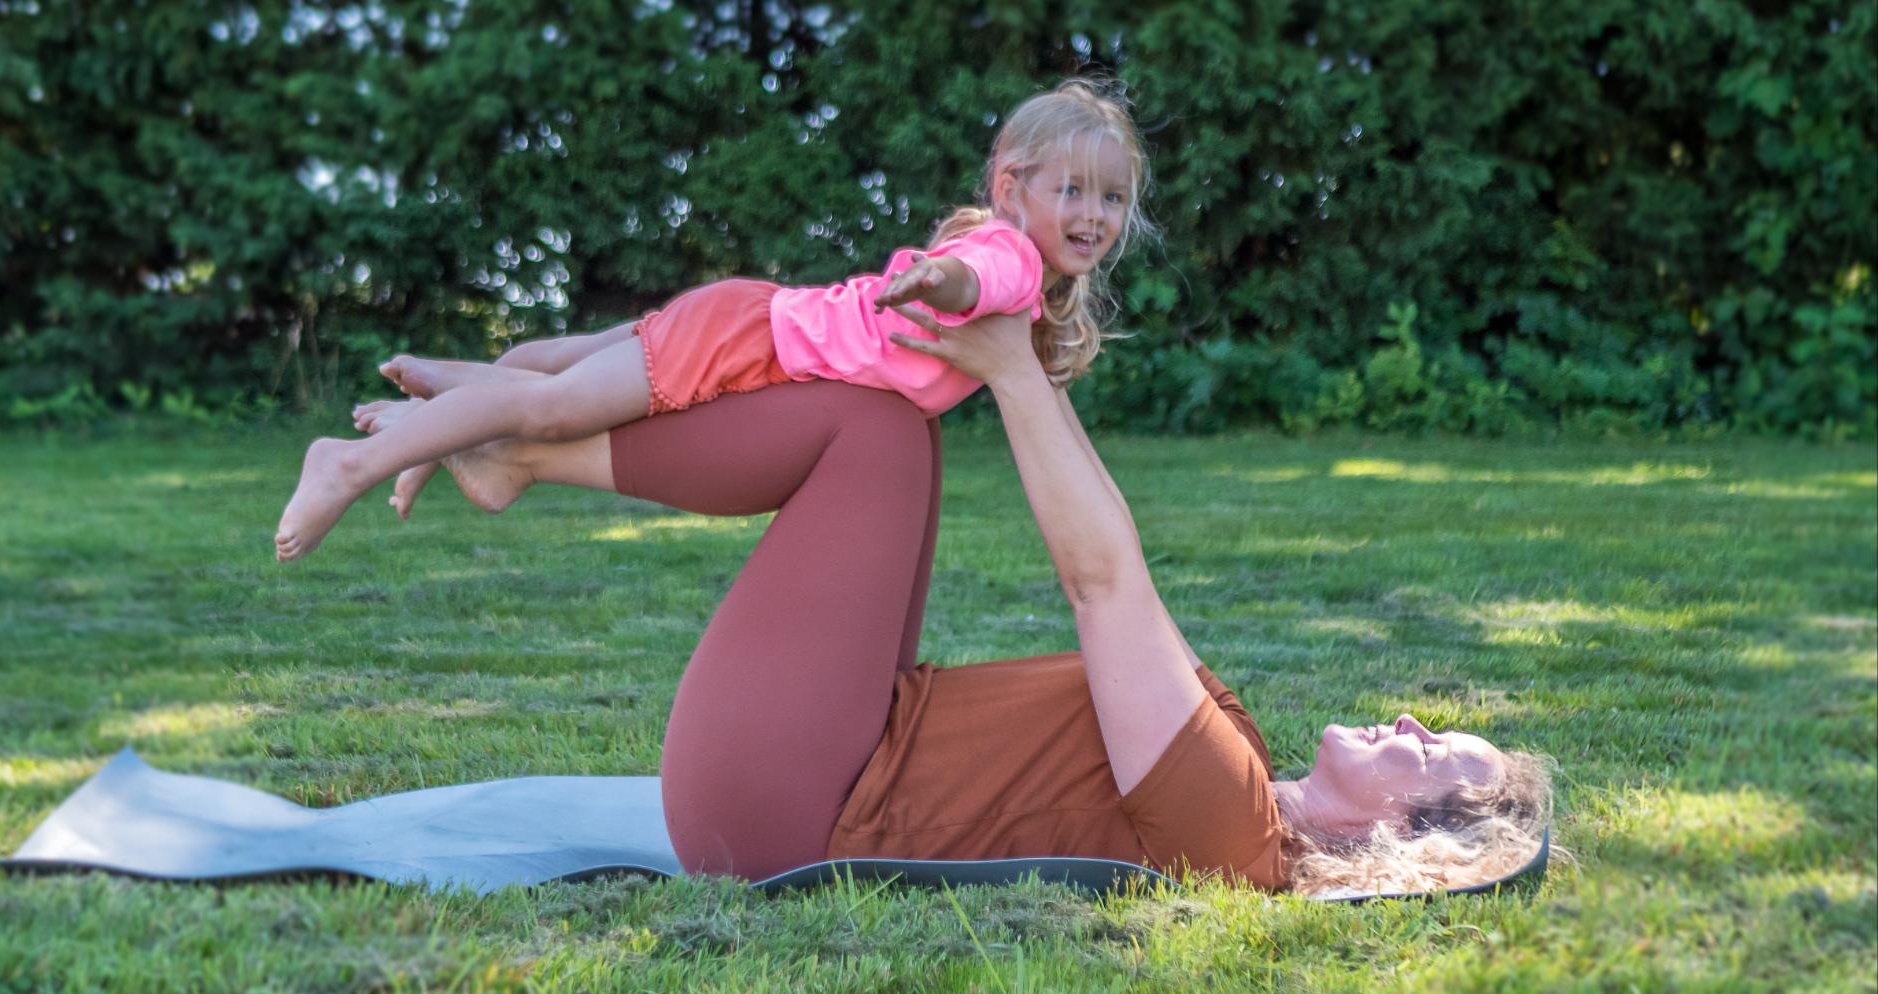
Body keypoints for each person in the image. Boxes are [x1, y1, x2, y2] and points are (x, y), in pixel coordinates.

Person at [349, 304, 1553, 897]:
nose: (1411, 723)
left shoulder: (1232, 829)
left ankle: (522, 446)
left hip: (788, 806)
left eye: (1436, 755)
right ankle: (524, 440)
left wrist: (1012, 368)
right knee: (894, 428)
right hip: (835, 755)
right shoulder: (1237, 776)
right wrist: (1004, 359)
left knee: (869, 434)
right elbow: (1118, 577)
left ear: (1407, 834)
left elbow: (1101, 581)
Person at [275, 77, 1158, 560]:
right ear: (1012, 189)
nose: (1094, 213)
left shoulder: (1023, 263)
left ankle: (438, 412)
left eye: (1112, 198)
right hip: (743, 343)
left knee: (567, 371)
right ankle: (351, 461)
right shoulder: (1008, 258)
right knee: (549, 409)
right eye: (1071, 190)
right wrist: (934, 279)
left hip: (747, 321)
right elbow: (974, 278)